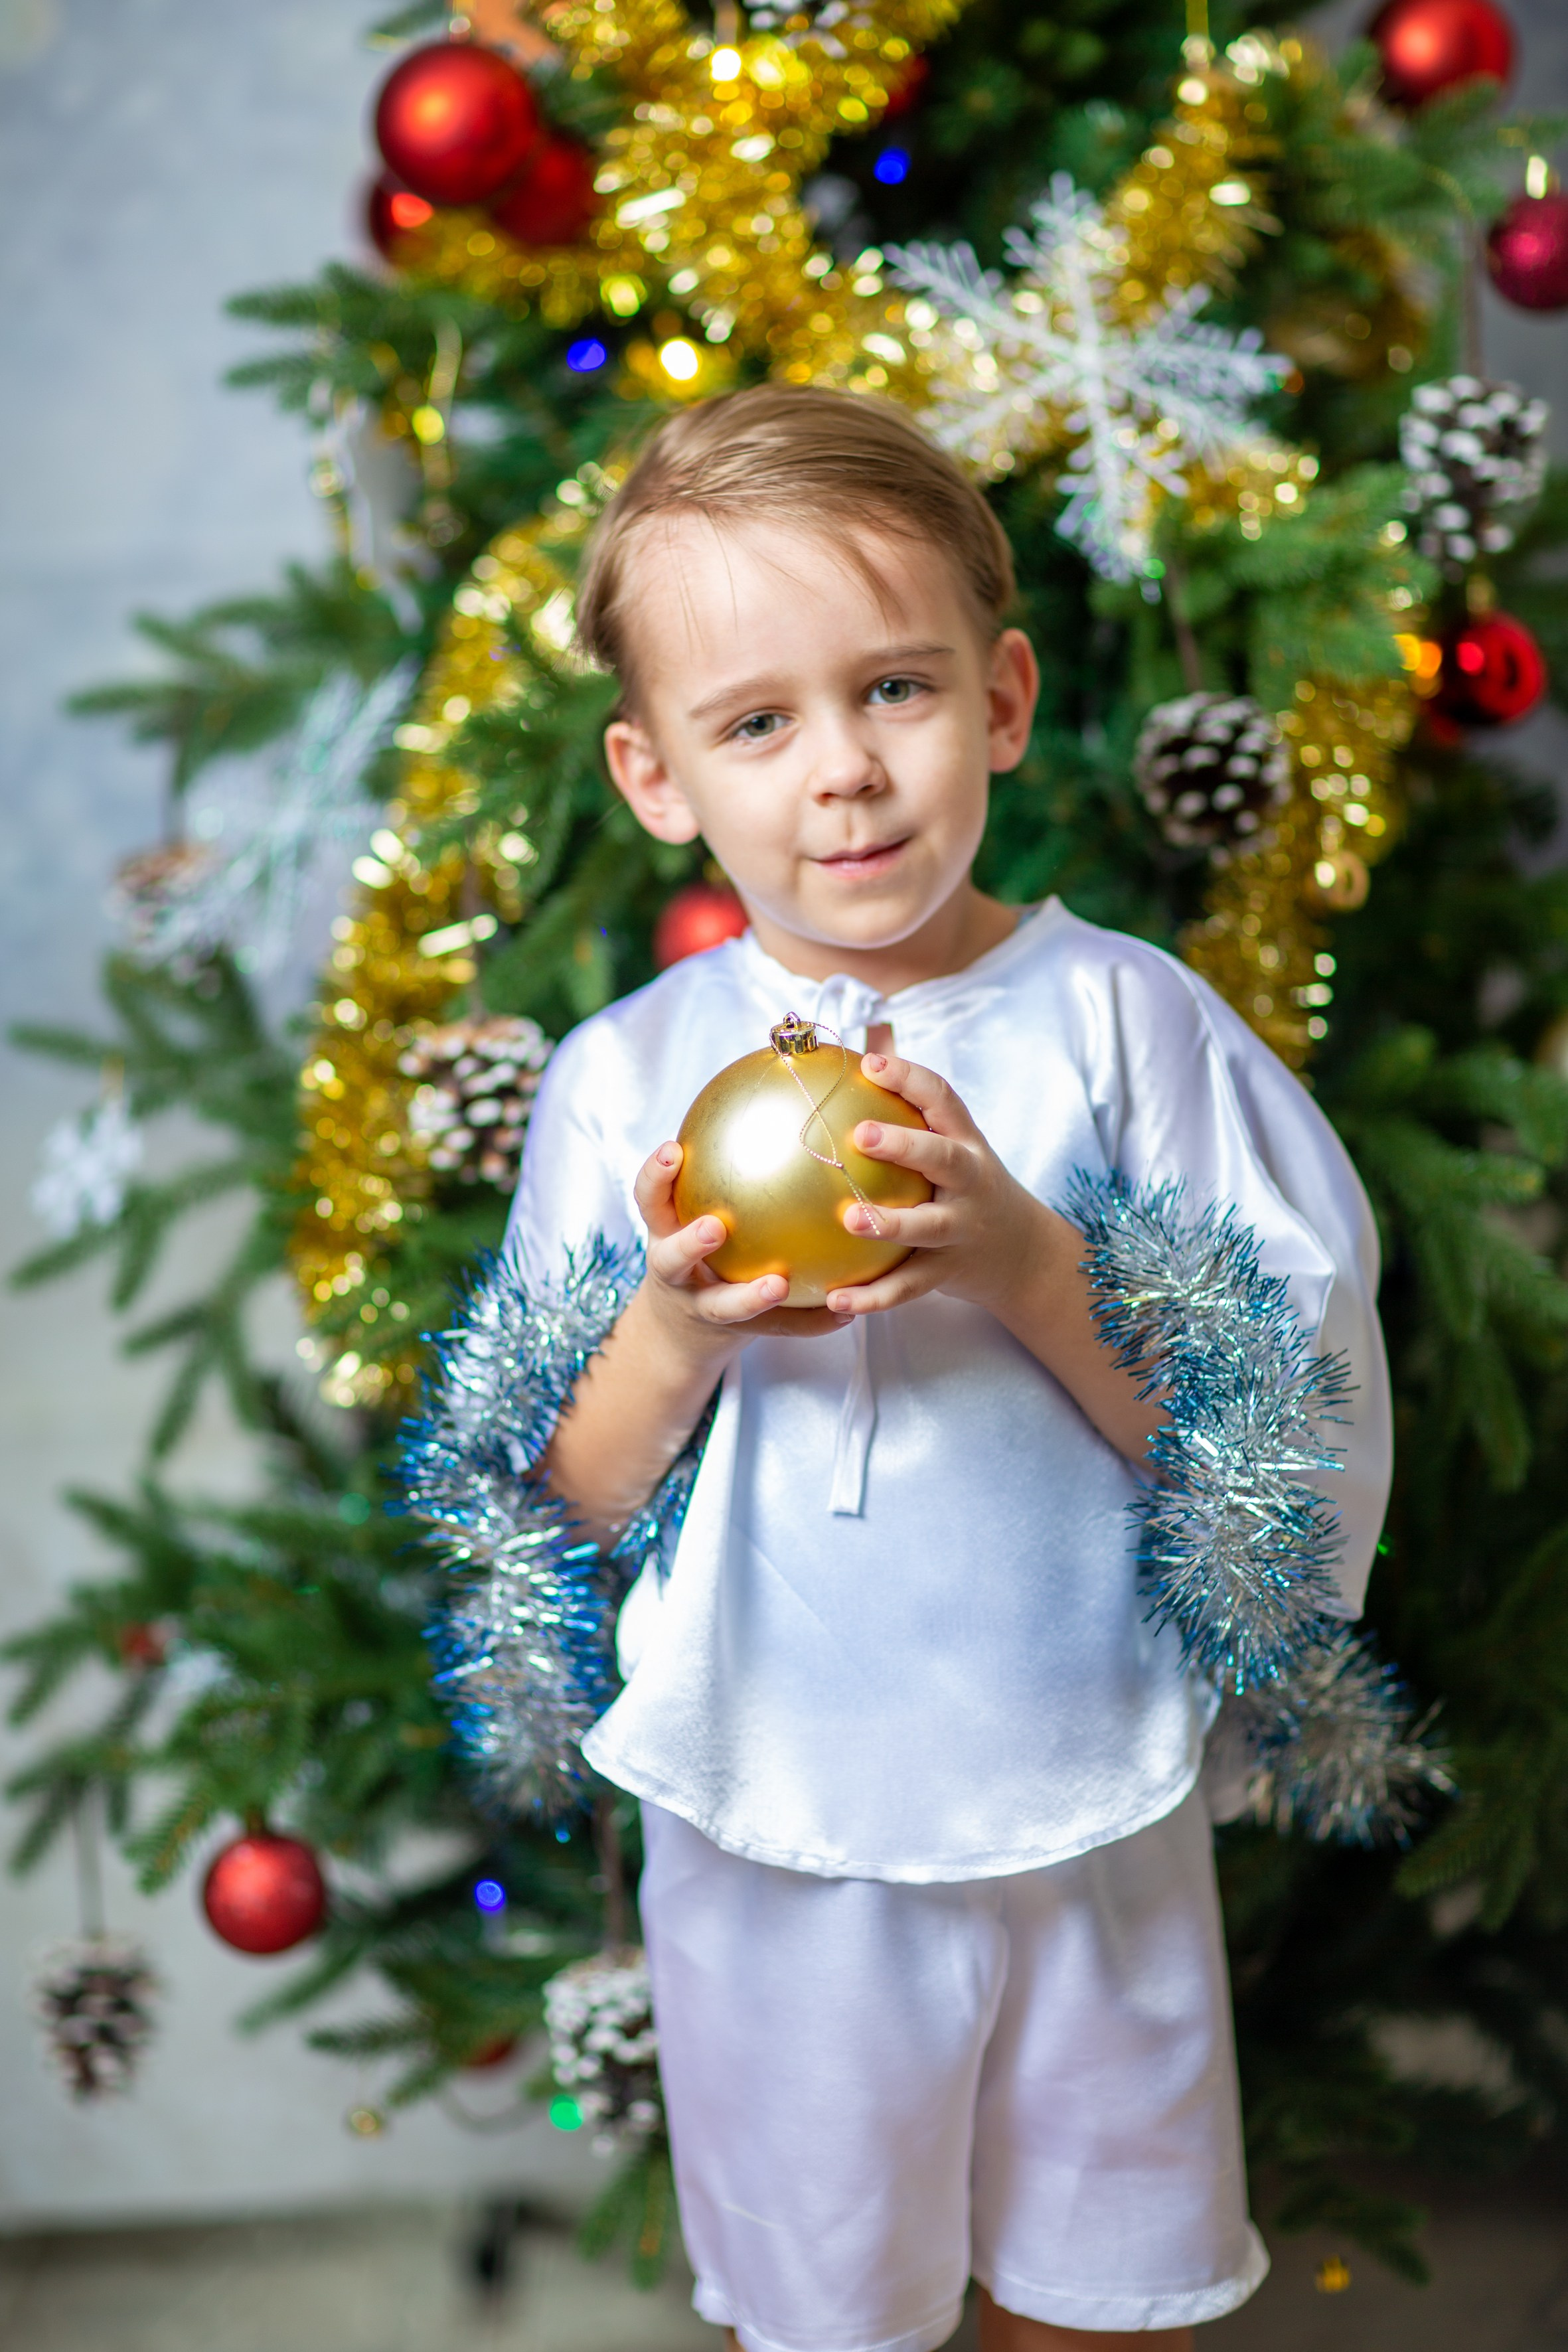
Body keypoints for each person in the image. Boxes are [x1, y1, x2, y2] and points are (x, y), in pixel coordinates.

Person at [501, 385, 1392, 2352]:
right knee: (820, 2305)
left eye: (891, 689)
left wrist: (1014, 1257)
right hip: (771, 1810)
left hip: (1081, 1793)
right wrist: (671, 1325)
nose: (843, 774)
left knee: (1102, 2293)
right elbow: (549, 1501)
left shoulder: (1121, 1030)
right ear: (657, 779)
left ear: (998, 701)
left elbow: (1263, 1442)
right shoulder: (630, 1084)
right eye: (758, 723)